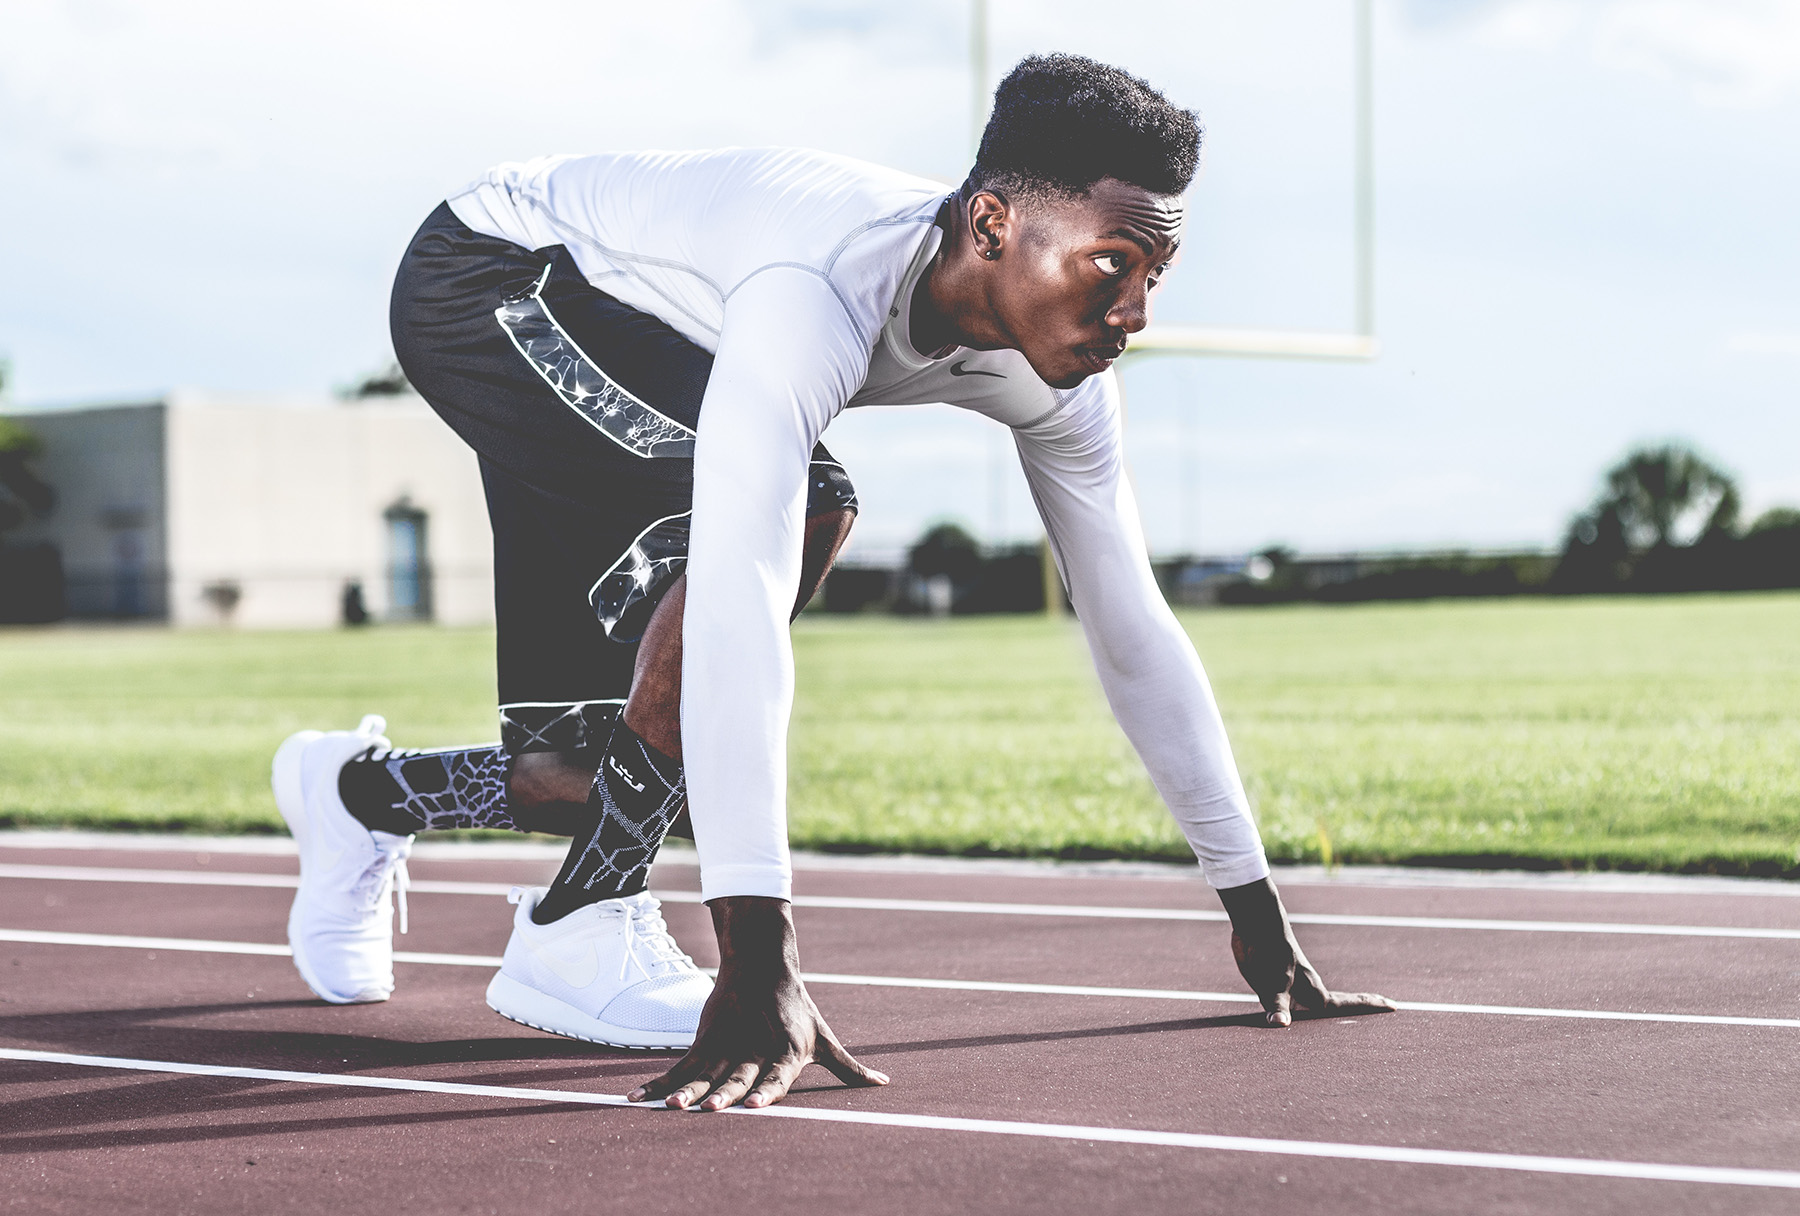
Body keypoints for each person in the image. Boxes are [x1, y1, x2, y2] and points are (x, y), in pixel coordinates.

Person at [272, 52, 1393, 1113]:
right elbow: (742, 597)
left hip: (650, 331)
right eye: (1113, 263)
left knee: (578, 770)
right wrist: (758, 959)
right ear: (992, 225)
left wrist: (1256, 917)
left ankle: (358, 794)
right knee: (804, 506)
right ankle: (582, 917)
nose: (1137, 311)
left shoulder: (1065, 382)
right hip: (493, 278)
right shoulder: (818, 286)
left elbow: (1132, 627)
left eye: (1156, 273)